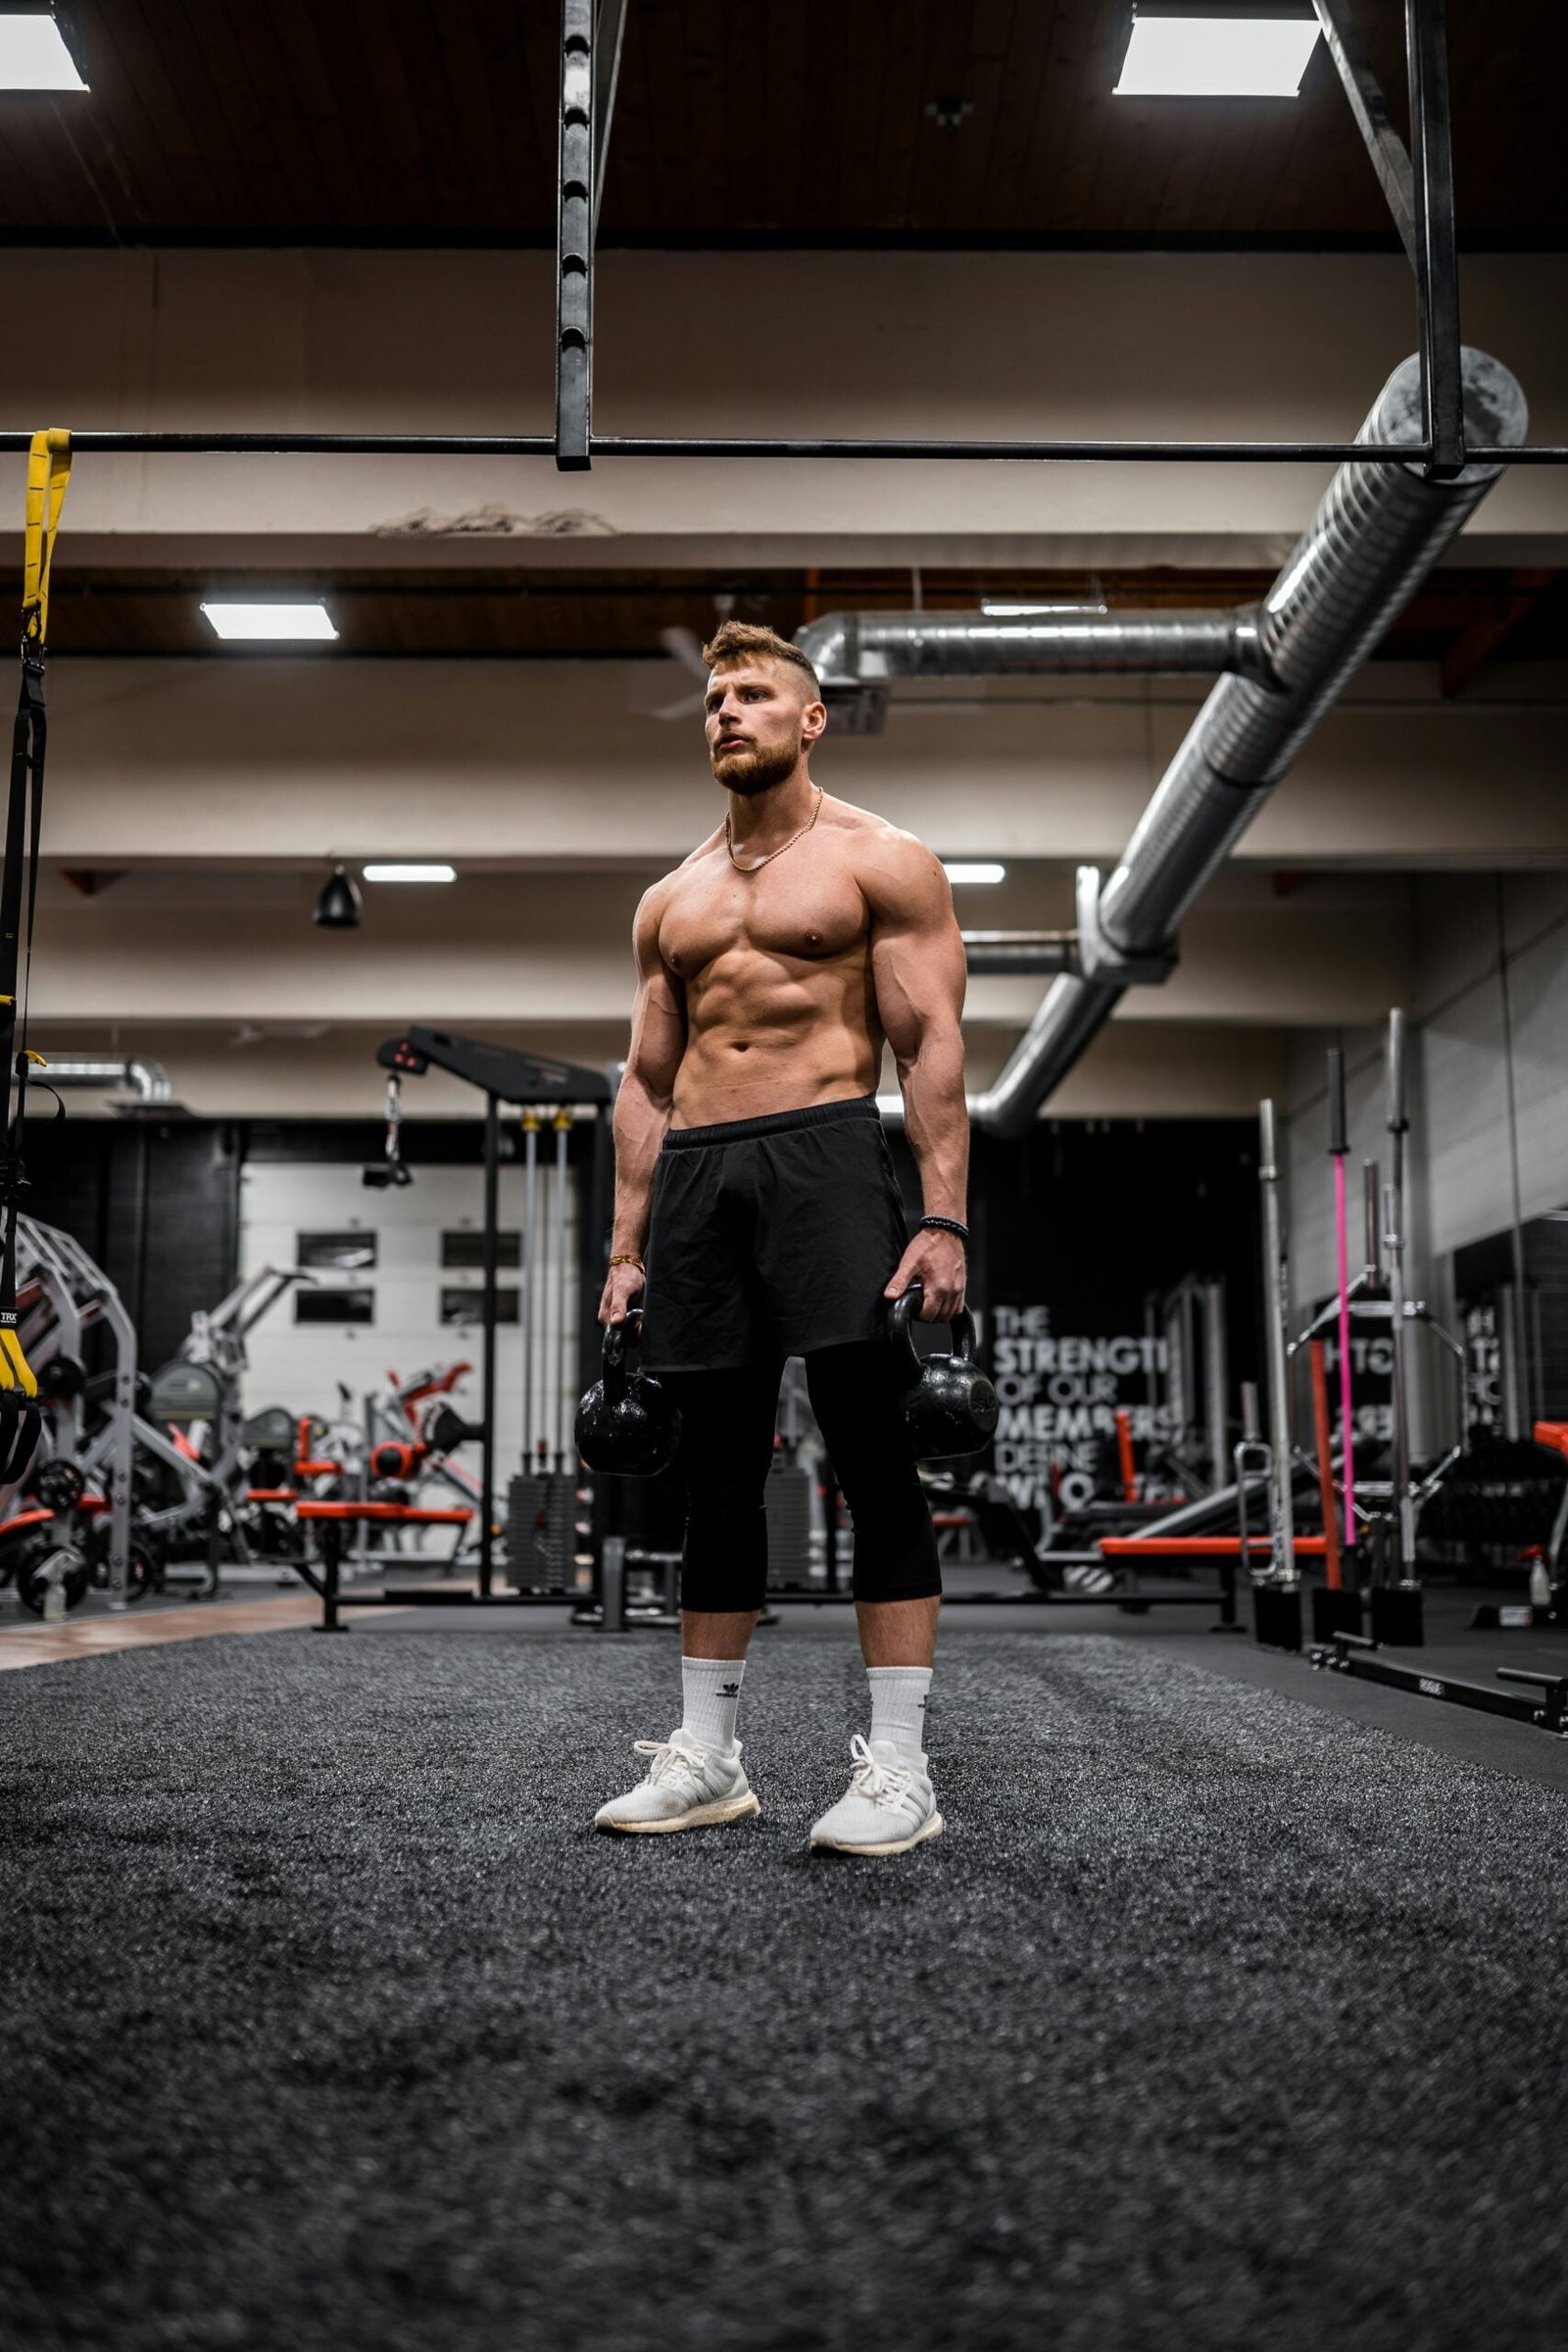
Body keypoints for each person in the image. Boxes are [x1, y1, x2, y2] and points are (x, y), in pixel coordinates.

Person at [592, 618, 968, 1857]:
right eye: (714, 699)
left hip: (826, 1156)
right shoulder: (670, 900)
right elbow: (645, 1085)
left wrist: (942, 1218)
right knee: (713, 1478)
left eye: (753, 695)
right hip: (700, 1177)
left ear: (811, 719)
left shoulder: (883, 861)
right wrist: (626, 1248)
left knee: (869, 1455)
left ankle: (900, 1769)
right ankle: (708, 1758)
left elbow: (928, 1051)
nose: (726, 714)